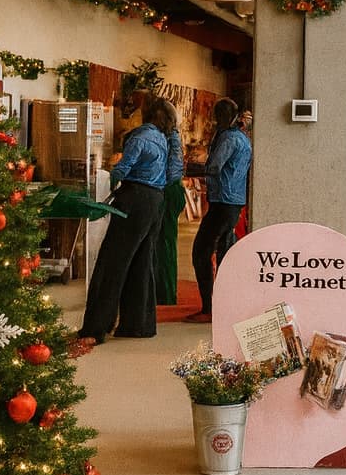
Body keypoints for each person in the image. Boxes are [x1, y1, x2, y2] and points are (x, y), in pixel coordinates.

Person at [77, 97, 176, 347]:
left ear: (146, 115)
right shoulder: (165, 138)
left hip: (135, 198)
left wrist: (111, 181)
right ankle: (138, 324)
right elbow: (174, 172)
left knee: (112, 262)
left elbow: (122, 169)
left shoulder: (140, 136)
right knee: (142, 263)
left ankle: (96, 327)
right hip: (156, 200)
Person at [186, 98, 252, 323]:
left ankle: (208, 307)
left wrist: (190, 169)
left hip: (223, 201)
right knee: (224, 253)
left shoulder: (228, 138)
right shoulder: (242, 138)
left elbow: (214, 167)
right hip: (233, 201)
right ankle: (223, 305)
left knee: (201, 252)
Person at [152, 99, 186, 306]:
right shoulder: (172, 137)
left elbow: (170, 169)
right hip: (171, 188)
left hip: (167, 189)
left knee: (164, 243)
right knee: (164, 243)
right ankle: (163, 290)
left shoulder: (169, 138)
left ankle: (165, 292)